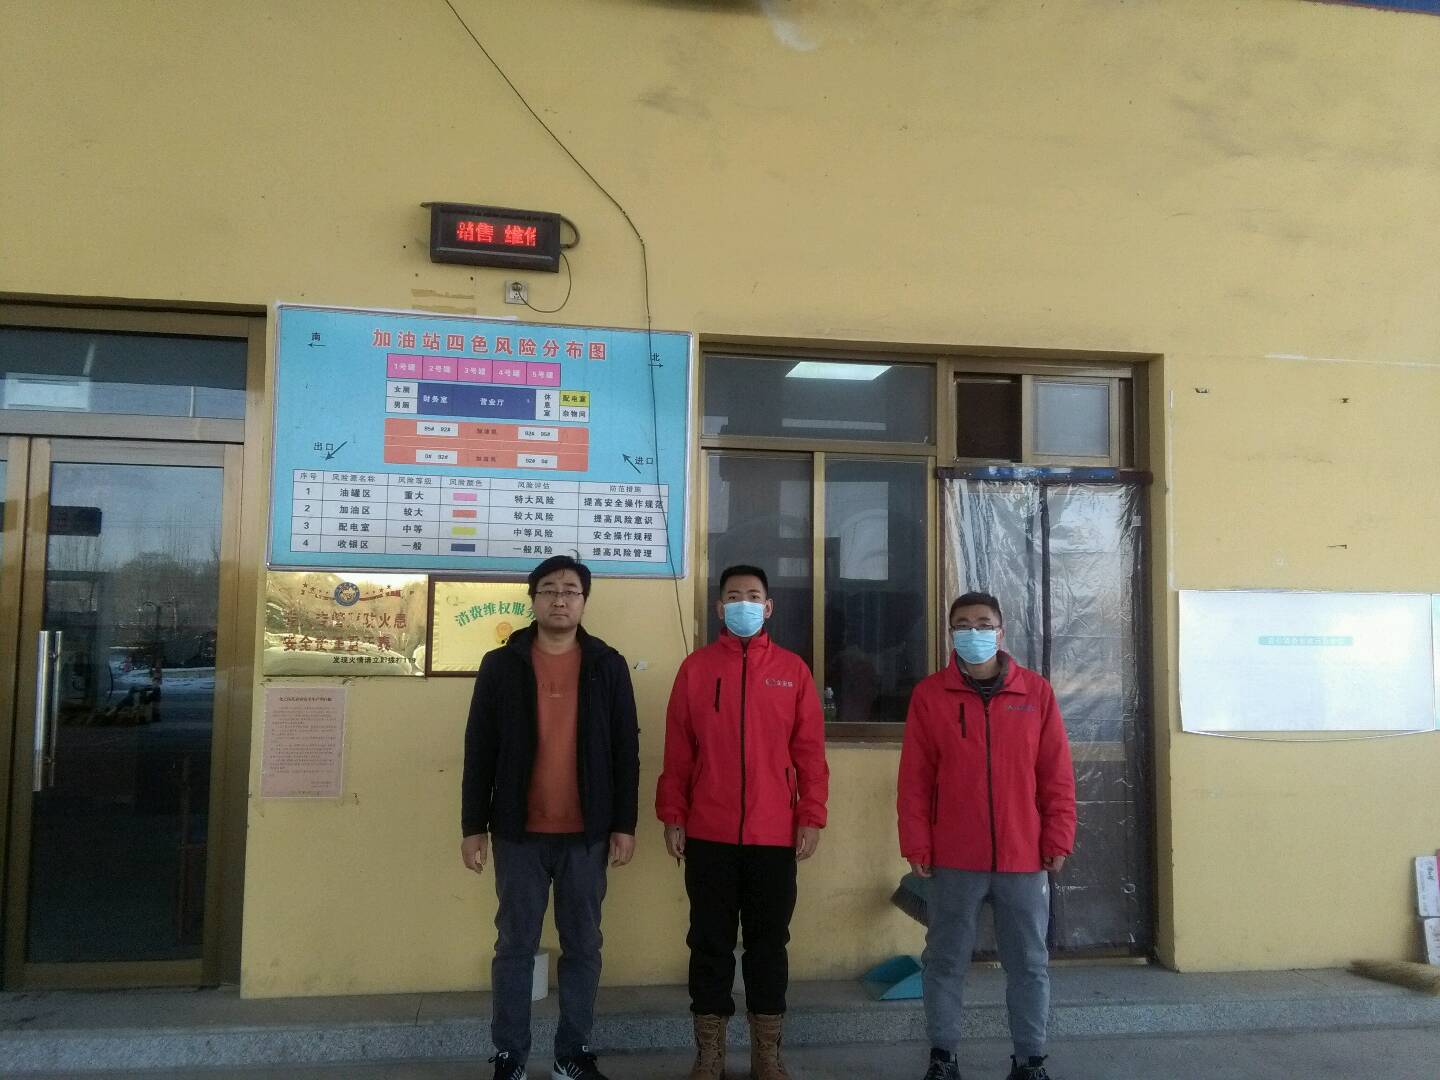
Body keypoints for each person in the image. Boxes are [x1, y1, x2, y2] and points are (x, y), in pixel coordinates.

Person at [461, 555, 640, 1080]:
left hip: (587, 834)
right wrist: (472, 826)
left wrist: (624, 825)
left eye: (570, 591)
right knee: (514, 946)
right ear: (533, 599)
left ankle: (571, 1053)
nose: (560, 599)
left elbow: (626, 751)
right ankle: (510, 1056)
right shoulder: (502, 665)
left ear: (584, 601)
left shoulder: (607, 664)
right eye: (549, 590)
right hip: (518, 833)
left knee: (583, 945)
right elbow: (479, 748)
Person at [656, 565, 830, 1080]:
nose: (744, 604)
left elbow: (810, 754)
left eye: (754, 596)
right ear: (719, 608)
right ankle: (709, 1055)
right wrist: (673, 814)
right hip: (708, 834)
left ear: (769, 607)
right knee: (708, 944)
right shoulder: (696, 669)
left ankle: (766, 1055)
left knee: (768, 946)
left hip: (774, 836)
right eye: (734, 596)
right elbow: (678, 751)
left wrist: (811, 815)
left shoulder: (793, 671)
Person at [897, 591, 1076, 1080]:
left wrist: (1057, 836)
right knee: (945, 961)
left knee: (1029, 964)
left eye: (983, 623)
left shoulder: (1036, 693)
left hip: (1023, 855)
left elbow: (1056, 774)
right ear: (951, 633)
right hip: (953, 856)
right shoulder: (930, 695)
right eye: (963, 624)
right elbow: (915, 780)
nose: (973, 632)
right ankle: (943, 1057)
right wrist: (916, 843)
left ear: (1000, 631)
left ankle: (1030, 1060)